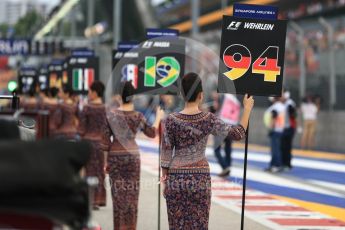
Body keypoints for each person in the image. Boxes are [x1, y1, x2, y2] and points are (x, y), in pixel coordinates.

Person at [161, 73, 253, 229]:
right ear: (201, 95)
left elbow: (166, 154)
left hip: (176, 179)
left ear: (182, 94)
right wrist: (247, 109)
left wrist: (165, 181)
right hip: (200, 179)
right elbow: (238, 134)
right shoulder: (208, 119)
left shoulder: (170, 120)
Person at [106, 81, 164, 230]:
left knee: (118, 195)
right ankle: (131, 227)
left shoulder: (111, 115)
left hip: (115, 155)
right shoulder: (138, 116)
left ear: (119, 96)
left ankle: (119, 227)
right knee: (132, 194)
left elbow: (105, 141)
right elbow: (151, 133)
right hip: (133, 156)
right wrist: (158, 117)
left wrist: (106, 162)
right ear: (133, 97)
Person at [78, 81, 112, 209]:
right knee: (99, 171)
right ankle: (98, 199)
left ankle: (89, 199)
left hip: (88, 143)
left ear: (95, 92)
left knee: (89, 171)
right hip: (101, 145)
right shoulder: (107, 109)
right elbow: (108, 129)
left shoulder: (87, 108)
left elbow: (81, 129)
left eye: (90, 91)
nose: (88, 94)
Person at [210, 93, 241, 177]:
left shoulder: (223, 96)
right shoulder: (237, 101)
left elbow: (215, 106)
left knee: (216, 149)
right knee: (228, 148)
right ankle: (228, 166)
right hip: (232, 126)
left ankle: (225, 167)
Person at [264, 97, 285, 173]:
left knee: (275, 149)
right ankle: (274, 165)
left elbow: (274, 116)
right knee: (277, 148)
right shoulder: (282, 106)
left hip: (275, 129)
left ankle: (276, 165)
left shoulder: (275, 107)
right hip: (281, 129)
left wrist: (271, 128)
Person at [281, 91, 297, 170]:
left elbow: (293, 115)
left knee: (286, 146)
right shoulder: (285, 104)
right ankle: (285, 163)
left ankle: (287, 163)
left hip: (289, 127)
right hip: (286, 127)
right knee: (284, 146)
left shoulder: (289, 104)